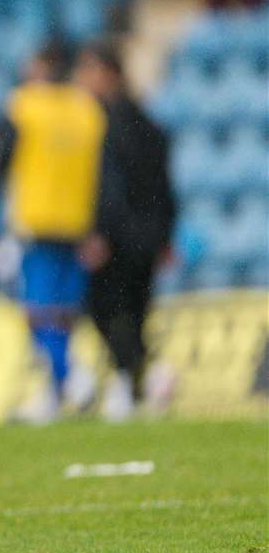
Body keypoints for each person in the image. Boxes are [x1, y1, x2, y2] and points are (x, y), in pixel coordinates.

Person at [0, 43, 106, 423]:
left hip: (35, 219)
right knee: (63, 311)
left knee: (36, 309)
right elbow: (103, 172)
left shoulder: (24, 107)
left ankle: (71, 376)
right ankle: (52, 394)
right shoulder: (87, 110)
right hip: (78, 221)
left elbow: (2, 161)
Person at [73, 41, 176, 421]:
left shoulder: (101, 123)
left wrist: (98, 232)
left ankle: (143, 377)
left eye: (87, 70)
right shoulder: (149, 122)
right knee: (135, 313)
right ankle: (132, 387)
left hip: (116, 236)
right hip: (149, 235)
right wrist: (166, 234)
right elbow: (165, 185)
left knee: (103, 310)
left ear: (107, 73)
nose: (82, 81)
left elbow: (107, 185)